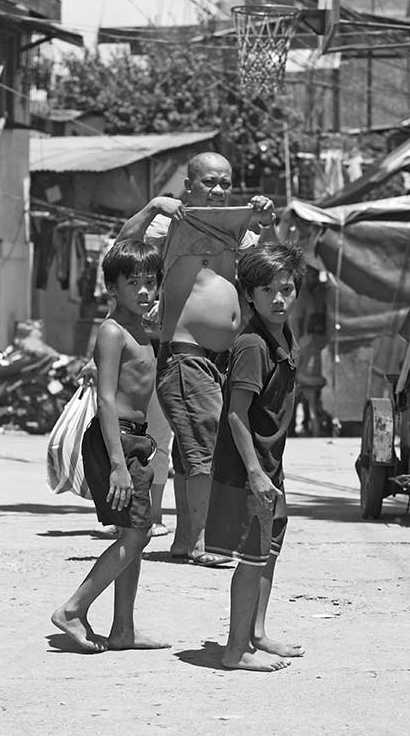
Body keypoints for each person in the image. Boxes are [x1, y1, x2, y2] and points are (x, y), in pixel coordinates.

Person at [118, 152, 276, 568]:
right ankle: (204, 544)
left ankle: (186, 540)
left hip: (226, 360)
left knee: (195, 456)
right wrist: (154, 205)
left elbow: (270, 271)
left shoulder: (237, 228)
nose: (219, 190)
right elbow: (123, 246)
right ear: (189, 185)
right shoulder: (169, 223)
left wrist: (266, 221)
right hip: (186, 356)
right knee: (206, 451)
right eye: (209, 182)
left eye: (225, 182)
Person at [51, 240, 170, 654]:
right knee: (138, 535)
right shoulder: (113, 331)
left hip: (134, 438)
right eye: (133, 283)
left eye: (150, 283)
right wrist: (118, 464)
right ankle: (72, 609)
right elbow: (104, 399)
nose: (143, 291)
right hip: (115, 439)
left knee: (133, 532)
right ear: (112, 288)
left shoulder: (141, 328)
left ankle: (123, 629)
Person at [201, 243, 305, 672]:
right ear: (250, 295)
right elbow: (236, 415)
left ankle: (256, 633)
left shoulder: (282, 333)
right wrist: (257, 475)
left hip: (270, 464)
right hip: (250, 469)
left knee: (271, 548)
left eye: (286, 288)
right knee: (252, 559)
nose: (279, 299)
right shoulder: (252, 345)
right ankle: (234, 649)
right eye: (268, 291)